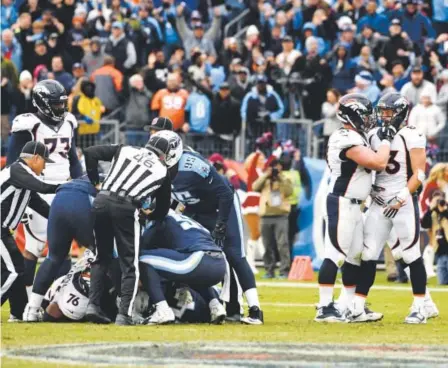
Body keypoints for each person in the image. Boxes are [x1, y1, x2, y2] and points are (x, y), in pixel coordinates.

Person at [351, 92, 438, 324]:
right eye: (382, 112)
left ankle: (420, 306)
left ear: (401, 112)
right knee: (368, 254)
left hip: (403, 200)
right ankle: (358, 305)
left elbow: (420, 172)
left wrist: (400, 197)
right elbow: (366, 168)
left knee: (410, 253)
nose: (384, 116)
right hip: (379, 202)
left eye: (389, 112)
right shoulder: (372, 135)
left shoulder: (412, 134)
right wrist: (370, 191)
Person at [83, 131, 182, 326]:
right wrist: (148, 214)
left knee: (101, 257)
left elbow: (89, 152)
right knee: (130, 264)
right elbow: (161, 210)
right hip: (127, 208)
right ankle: (124, 315)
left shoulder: (125, 149)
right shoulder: (163, 172)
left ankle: (92, 306)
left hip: (101, 200)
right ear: (169, 154)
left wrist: (96, 182)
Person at [6, 80, 83, 320]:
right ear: (41, 103)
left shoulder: (69, 122)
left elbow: (72, 158)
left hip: (64, 189)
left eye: (62, 103)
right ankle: (30, 305)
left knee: (45, 247)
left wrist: (81, 184)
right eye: (56, 104)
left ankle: (33, 304)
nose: (61, 108)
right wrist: (30, 192)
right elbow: (13, 163)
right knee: (39, 247)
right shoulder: (28, 124)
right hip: (37, 189)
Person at [315, 93, 395, 323]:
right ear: (353, 114)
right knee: (335, 255)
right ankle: (324, 307)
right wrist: (387, 141)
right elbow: (378, 162)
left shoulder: (354, 136)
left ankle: (351, 307)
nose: (370, 118)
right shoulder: (344, 137)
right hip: (342, 202)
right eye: (366, 114)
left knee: (355, 257)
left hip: (355, 204)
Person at [170, 148, 264, 325]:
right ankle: (219, 305)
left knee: (235, 255)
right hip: (196, 211)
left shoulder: (192, 165)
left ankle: (255, 309)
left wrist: (221, 225)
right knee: (196, 255)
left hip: (221, 206)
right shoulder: (156, 168)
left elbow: (225, 193)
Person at [23, 176, 99, 321]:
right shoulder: (121, 180)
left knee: (53, 258)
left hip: (61, 196)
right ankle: (121, 308)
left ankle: (31, 310)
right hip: (84, 199)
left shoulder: (91, 174)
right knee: (103, 255)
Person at [1, 141, 59, 321]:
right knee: (13, 270)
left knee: (17, 269)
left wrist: (60, 219)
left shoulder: (22, 178)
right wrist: (68, 186)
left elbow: (39, 204)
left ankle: (17, 314)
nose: (44, 167)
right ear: (35, 158)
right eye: (44, 161)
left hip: (3, 230)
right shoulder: (18, 170)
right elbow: (42, 187)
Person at [139, 210, 227, 325]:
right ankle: (215, 305)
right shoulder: (184, 219)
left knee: (143, 258)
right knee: (192, 273)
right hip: (219, 264)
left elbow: (142, 246)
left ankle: (162, 310)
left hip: (196, 261)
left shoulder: (159, 219)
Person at [253, 159, 293, 279]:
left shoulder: (285, 179)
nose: (275, 169)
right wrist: (266, 175)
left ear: (281, 167)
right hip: (265, 215)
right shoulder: (265, 179)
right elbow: (255, 187)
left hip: (281, 215)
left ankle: (284, 271)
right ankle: (269, 270)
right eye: (273, 167)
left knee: (283, 244)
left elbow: (289, 191)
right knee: (267, 245)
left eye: (277, 166)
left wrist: (279, 179)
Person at [241, 74, 284, 139]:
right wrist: (252, 117)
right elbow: (243, 111)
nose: (261, 85)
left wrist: (271, 116)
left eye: (262, 83)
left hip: (269, 128)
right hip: (254, 128)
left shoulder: (273, 95)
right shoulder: (249, 96)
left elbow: (281, 109)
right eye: (259, 83)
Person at [421, 192, 448, 285]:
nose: (438, 202)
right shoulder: (433, 213)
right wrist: (430, 209)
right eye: (436, 200)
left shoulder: (446, 210)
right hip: (440, 252)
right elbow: (424, 224)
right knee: (442, 282)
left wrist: (444, 210)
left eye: (440, 200)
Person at [124, 74, 153, 146]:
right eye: (137, 82)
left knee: (145, 150)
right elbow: (124, 87)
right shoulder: (128, 94)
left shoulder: (148, 94)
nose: (140, 83)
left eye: (141, 81)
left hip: (145, 127)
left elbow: (152, 100)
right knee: (131, 149)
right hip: (131, 127)